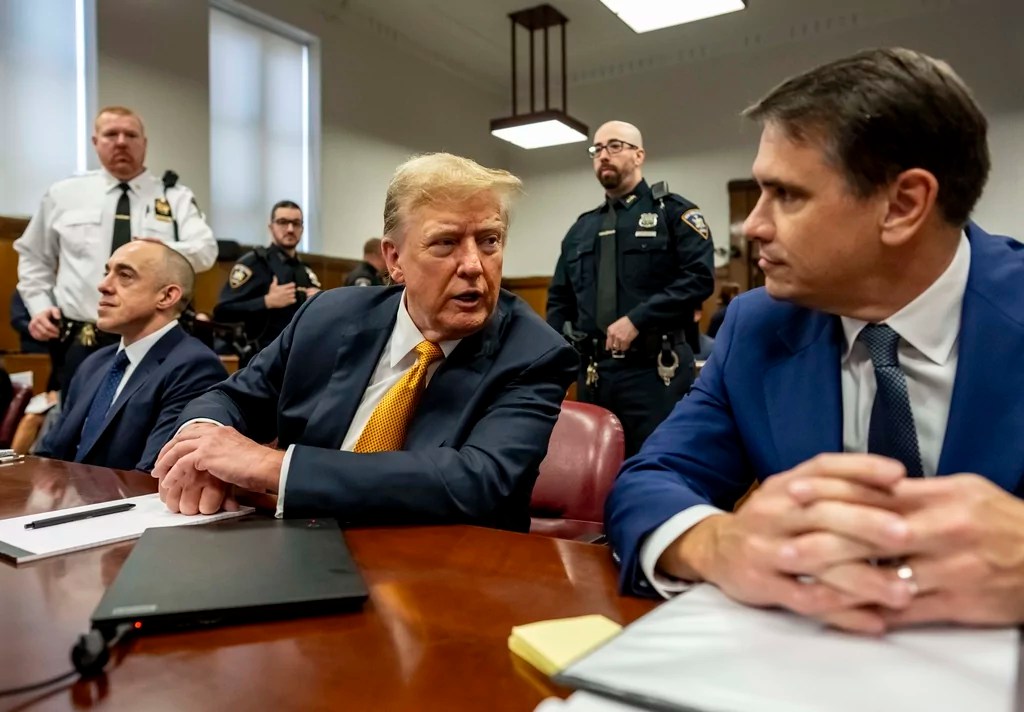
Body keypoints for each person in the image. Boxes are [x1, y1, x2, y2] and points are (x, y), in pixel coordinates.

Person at [606, 47, 1024, 634]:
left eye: (788, 194)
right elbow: (651, 481)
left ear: (903, 205)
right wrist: (719, 543)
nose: (753, 225)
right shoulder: (755, 325)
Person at [153, 153, 578, 530]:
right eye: (446, 243)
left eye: (489, 241)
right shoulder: (329, 316)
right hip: (299, 544)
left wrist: (273, 467)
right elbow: (235, 399)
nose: (473, 265)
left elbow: (478, 482)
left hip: (445, 569)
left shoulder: (533, 352)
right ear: (394, 259)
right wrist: (203, 444)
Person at [14, 106, 217, 395]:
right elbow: (34, 256)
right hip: (81, 340)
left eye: (130, 135)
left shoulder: (174, 197)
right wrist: (39, 306)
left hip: (153, 341)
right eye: (111, 134)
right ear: (95, 142)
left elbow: (206, 250)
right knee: (75, 427)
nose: (121, 141)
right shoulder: (64, 194)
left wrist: (161, 251)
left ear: (144, 143)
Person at [546, 120, 715, 456]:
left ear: (639, 155)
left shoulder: (673, 214)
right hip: (595, 374)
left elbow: (698, 278)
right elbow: (559, 300)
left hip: (654, 369)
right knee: (595, 472)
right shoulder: (581, 229)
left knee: (656, 464)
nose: (603, 155)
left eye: (614, 146)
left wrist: (638, 319)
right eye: (597, 149)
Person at [37, 241, 227, 472]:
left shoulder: (194, 366)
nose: (103, 286)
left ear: (167, 296)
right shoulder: (94, 363)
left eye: (125, 275)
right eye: (107, 273)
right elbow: (48, 453)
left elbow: (152, 474)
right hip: (63, 500)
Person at [213, 200, 321, 357]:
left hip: (298, 355)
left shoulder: (305, 271)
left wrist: (319, 301)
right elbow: (222, 311)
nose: (290, 229)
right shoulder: (253, 264)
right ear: (271, 227)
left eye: (296, 223)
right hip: (261, 358)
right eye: (283, 222)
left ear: (302, 228)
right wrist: (266, 302)